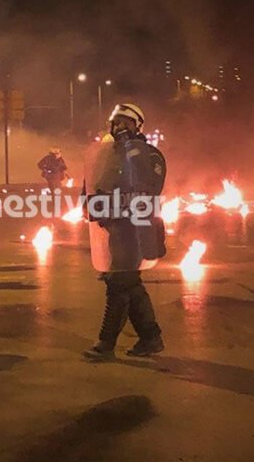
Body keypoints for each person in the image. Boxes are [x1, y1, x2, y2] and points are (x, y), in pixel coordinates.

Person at [83, 103, 166, 360]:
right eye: (115, 122)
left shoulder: (150, 155)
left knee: (118, 283)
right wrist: (90, 206)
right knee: (129, 283)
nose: (118, 127)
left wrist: (131, 152)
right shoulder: (108, 154)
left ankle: (106, 344)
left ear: (137, 126)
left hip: (136, 229)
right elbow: (94, 184)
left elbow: (150, 186)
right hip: (114, 226)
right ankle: (150, 338)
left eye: (125, 122)